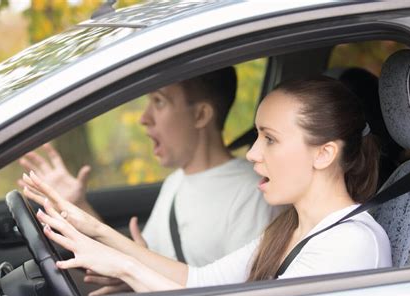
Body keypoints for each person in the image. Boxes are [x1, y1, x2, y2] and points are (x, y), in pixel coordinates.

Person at [22, 76, 392, 294]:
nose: (252, 154)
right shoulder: (289, 230)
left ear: (324, 154)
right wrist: (94, 229)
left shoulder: (350, 244)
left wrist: (125, 268)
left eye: (270, 139)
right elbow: (196, 281)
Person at [19, 67, 277, 267]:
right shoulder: (175, 182)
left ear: (200, 115)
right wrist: (78, 206)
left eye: (159, 101)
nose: (144, 118)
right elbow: (143, 260)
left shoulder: (252, 194)